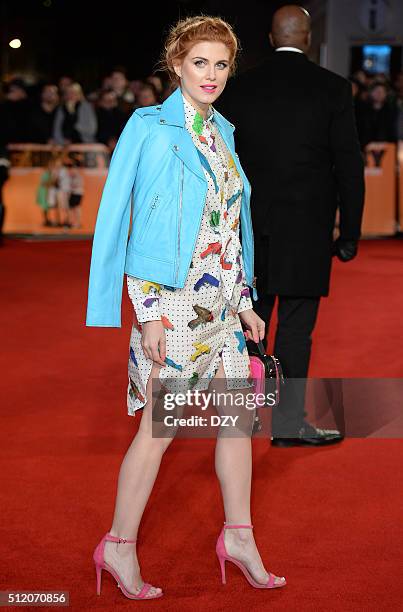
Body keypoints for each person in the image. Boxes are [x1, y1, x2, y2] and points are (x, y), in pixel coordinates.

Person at [86, 15, 286, 600]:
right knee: (159, 429)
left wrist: (245, 298)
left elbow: (228, 228)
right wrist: (145, 309)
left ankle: (240, 537)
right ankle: (118, 547)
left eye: (222, 64)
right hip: (171, 307)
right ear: (176, 65)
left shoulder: (223, 129)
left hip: (223, 309)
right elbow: (122, 218)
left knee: (235, 427)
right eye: (200, 62)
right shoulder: (148, 127)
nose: (212, 75)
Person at [218, 5, 365, 447]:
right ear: (308, 37)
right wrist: (349, 234)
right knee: (297, 329)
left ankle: (239, 422)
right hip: (307, 231)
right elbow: (349, 167)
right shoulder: (333, 89)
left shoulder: (239, 88)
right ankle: (288, 424)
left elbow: (222, 162)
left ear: (269, 37)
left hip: (250, 232)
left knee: (247, 326)